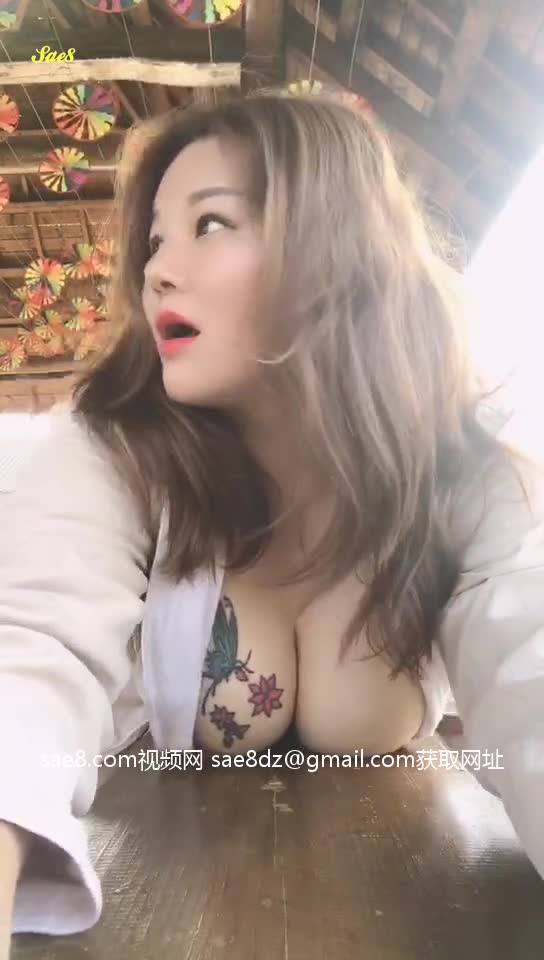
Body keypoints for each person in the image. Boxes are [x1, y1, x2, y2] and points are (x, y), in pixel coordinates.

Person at [1, 89, 544, 950]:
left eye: (211, 224)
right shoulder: (112, 454)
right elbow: (29, 665)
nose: (157, 271)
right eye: (155, 241)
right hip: (171, 907)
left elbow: (533, 664)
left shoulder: (465, 474)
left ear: (336, 249)